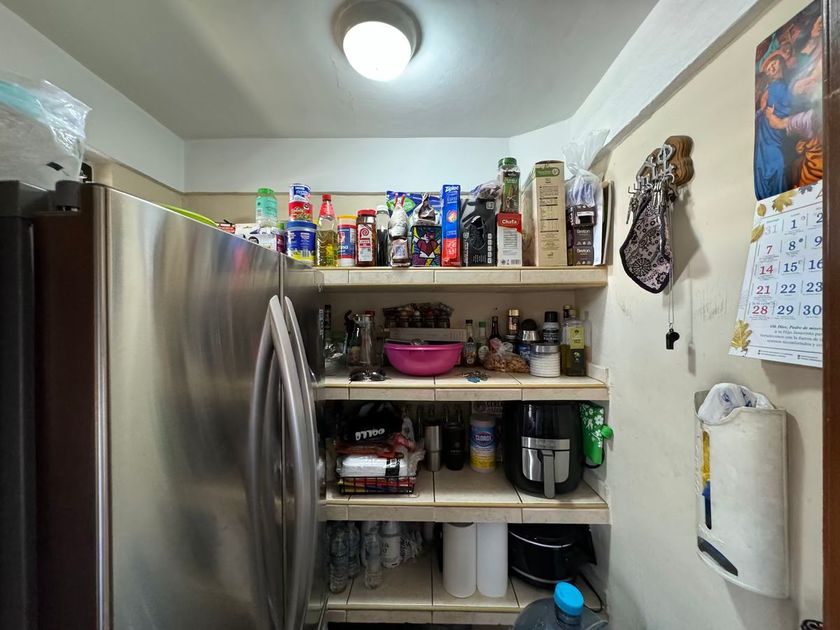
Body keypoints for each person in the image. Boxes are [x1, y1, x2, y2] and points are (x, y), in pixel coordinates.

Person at [754, 51, 792, 199]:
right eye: (769, 68)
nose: (771, 68)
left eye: (773, 64)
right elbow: (762, 110)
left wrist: (774, 115)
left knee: (779, 165)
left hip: (776, 132)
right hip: (764, 133)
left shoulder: (785, 87)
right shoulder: (769, 89)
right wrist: (764, 113)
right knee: (762, 165)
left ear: (780, 63)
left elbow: (788, 108)